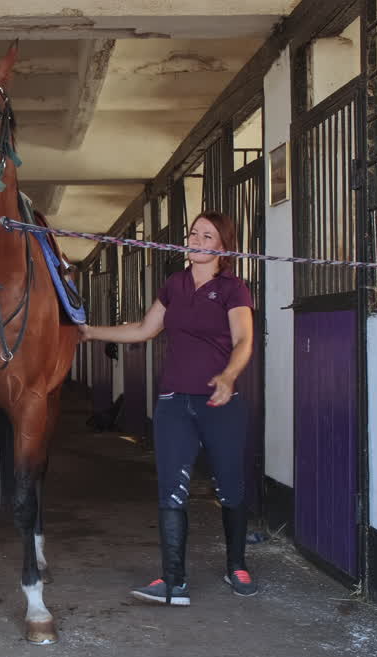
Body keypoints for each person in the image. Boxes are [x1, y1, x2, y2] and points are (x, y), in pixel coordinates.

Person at [79, 211, 257, 605]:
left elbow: (243, 339)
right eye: (193, 232)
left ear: (222, 247)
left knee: (229, 484)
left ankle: (237, 565)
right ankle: (173, 580)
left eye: (207, 236)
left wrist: (229, 376)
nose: (197, 240)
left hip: (219, 401)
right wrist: (90, 332)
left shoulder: (233, 288)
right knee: (170, 489)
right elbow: (144, 329)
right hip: (174, 400)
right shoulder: (175, 285)